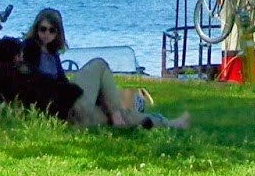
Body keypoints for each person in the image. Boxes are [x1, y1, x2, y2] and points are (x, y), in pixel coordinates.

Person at [25, 7, 189, 130]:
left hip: (73, 114)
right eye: (43, 29)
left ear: (57, 33)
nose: (46, 34)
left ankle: (167, 123)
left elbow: (60, 81)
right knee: (99, 64)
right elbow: (36, 81)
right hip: (64, 108)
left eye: (51, 30)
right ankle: (116, 115)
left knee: (116, 114)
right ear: (36, 29)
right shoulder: (31, 48)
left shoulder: (52, 54)